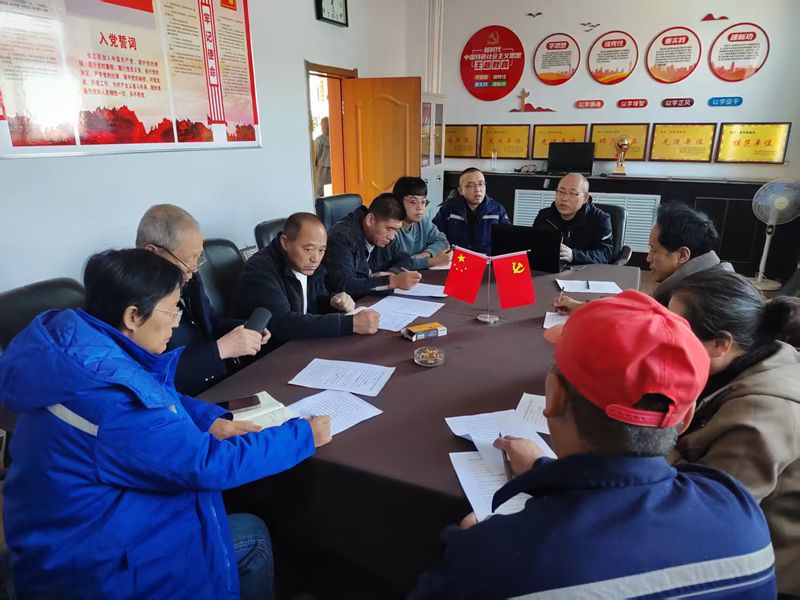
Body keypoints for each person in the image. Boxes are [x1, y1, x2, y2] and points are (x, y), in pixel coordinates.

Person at [0, 249, 332, 600]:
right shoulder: (112, 402)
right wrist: (302, 435)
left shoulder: (78, 348)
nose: (176, 322)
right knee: (252, 535)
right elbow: (207, 465)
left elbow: (151, 393)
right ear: (133, 315)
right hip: (101, 568)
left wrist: (209, 419)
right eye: (173, 309)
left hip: (70, 531)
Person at [411, 290, 776, 599]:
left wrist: (473, 544)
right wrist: (542, 470)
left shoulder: (495, 560)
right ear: (686, 417)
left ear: (554, 397)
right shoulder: (739, 511)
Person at [666, 269, 800, 597]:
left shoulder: (760, 414)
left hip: (765, 571)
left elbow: (707, 515)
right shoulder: (757, 357)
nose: (663, 341)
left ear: (721, 344)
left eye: (674, 331)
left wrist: (645, 436)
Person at [136, 204, 268, 395]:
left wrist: (244, 330)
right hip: (186, 397)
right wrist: (222, 349)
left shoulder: (190, 278)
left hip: (222, 382)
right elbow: (153, 374)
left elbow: (209, 322)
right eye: (189, 258)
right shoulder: (134, 300)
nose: (194, 268)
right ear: (153, 252)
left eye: (198, 257)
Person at [229, 212, 379, 348]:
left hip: (300, 343)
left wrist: (333, 301)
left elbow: (315, 301)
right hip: (269, 353)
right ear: (285, 243)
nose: (315, 258)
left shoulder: (309, 264)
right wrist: (349, 324)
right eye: (308, 249)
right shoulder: (260, 269)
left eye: (321, 250)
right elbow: (283, 324)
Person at [555, 202, 730, 313]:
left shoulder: (695, 301)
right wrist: (583, 306)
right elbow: (641, 306)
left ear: (682, 255)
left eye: (654, 250)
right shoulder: (707, 274)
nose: (648, 258)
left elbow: (642, 318)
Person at [323, 192, 421, 295]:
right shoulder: (341, 238)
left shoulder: (384, 237)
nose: (392, 237)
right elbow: (345, 285)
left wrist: (392, 273)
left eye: (396, 230)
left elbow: (405, 259)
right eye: (389, 229)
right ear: (370, 220)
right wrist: (391, 281)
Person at [532, 172, 613, 265]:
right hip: (549, 269)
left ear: (585, 198)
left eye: (572, 193)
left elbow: (605, 256)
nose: (564, 198)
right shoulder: (544, 216)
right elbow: (533, 247)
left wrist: (574, 255)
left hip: (583, 271)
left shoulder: (600, 219)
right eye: (561, 191)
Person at [432, 167, 510, 255]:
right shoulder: (448, 209)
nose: (477, 189)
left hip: (486, 260)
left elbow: (506, 241)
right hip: (457, 259)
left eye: (481, 184)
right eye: (470, 185)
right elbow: (435, 237)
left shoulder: (497, 210)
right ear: (461, 190)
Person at [392, 176, 452, 269]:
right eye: (413, 202)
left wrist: (425, 254)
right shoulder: (391, 228)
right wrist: (431, 261)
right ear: (398, 203)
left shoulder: (423, 221)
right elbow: (394, 265)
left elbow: (443, 241)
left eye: (423, 202)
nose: (420, 207)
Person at [313, 116, 331, 197]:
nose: (325, 128)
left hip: (331, 174)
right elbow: (314, 159)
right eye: (323, 126)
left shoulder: (336, 139)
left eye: (327, 125)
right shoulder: (319, 140)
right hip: (322, 174)